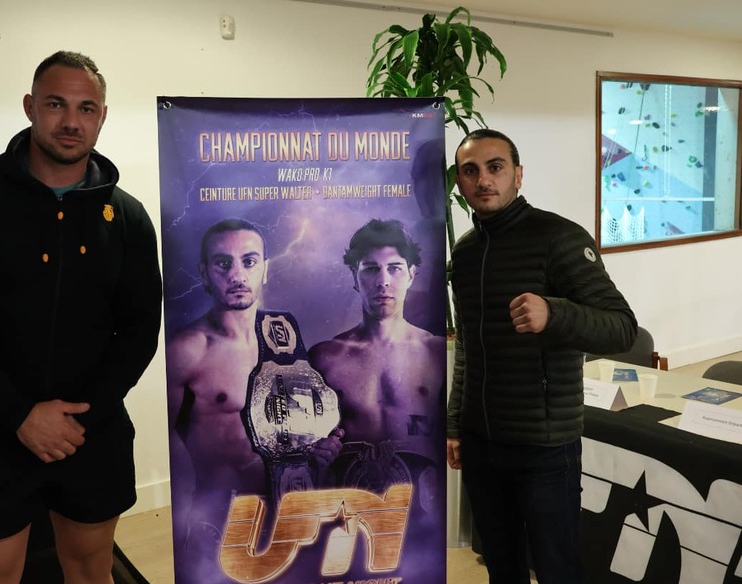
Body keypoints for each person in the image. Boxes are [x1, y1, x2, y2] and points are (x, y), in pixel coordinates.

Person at [0, 51, 162, 584]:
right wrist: (19, 416)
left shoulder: (128, 217)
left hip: (89, 434)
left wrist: (79, 420)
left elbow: (140, 328)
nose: (71, 121)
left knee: (92, 570)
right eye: (55, 104)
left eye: (86, 108)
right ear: (30, 107)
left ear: (102, 117)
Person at [446, 128, 637, 584]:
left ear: (518, 175)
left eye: (495, 167)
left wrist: (554, 313)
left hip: (545, 446)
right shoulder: (466, 253)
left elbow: (622, 327)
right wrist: (455, 423)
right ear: (460, 181)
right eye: (470, 171)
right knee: (502, 566)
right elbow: (468, 345)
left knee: (556, 568)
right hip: (482, 442)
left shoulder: (559, 238)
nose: (484, 180)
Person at [166, 218, 341, 581]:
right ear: (204, 272)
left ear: (265, 269)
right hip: (222, 517)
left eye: (248, 261)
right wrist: (184, 528)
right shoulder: (188, 350)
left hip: (289, 511)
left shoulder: (284, 333)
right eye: (223, 263)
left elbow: (291, 427)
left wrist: (319, 450)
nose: (237, 275)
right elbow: (172, 450)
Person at [308, 218, 445, 483]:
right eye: (371, 269)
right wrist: (316, 453)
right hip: (346, 501)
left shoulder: (435, 353)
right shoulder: (325, 359)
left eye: (394, 269)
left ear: (411, 275)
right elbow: (300, 446)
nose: (383, 281)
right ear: (355, 277)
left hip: (423, 501)